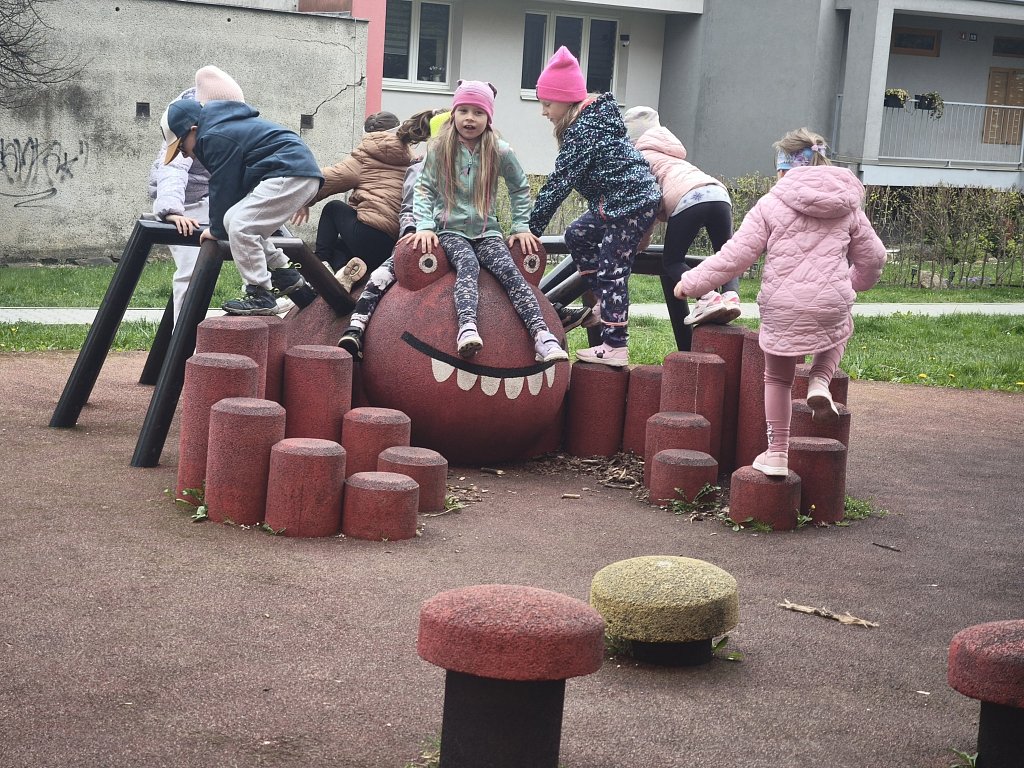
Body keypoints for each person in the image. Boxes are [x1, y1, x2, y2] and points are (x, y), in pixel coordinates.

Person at [674, 128, 886, 477]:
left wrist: (692, 282)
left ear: (783, 169)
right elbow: (874, 257)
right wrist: (853, 284)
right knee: (840, 326)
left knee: (777, 379)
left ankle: (777, 454)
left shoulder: (771, 204)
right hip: (830, 302)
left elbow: (735, 256)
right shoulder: (848, 207)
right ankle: (820, 380)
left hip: (782, 306)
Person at [409, 80, 568, 363]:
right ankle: (467, 328)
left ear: (489, 117)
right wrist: (424, 226)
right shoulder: (440, 149)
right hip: (450, 230)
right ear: (454, 114)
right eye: (464, 111)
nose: (470, 118)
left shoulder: (499, 150)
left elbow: (520, 187)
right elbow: (424, 189)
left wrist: (521, 226)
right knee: (468, 265)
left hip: (487, 232)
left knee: (511, 273)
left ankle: (542, 336)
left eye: (478, 112)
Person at [527, 46, 662, 368]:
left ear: (566, 100)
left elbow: (558, 184)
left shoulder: (583, 131)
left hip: (629, 204)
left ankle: (615, 345)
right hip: (618, 202)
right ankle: (604, 302)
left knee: (613, 268)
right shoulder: (593, 122)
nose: (544, 112)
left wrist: (529, 229)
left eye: (547, 104)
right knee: (577, 234)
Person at [159, 96, 324, 316]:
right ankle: (284, 272)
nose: (183, 153)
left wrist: (216, 230)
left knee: (241, 226)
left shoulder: (212, 136)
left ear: (194, 130)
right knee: (233, 219)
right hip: (291, 172)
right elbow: (237, 185)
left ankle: (260, 293)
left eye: (181, 145)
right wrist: (222, 224)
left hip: (289, 173)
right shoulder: (223, 128)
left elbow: (223, 184)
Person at [623, 106, 742, 346]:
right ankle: (731, 296)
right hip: (719, 193)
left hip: (688, 199)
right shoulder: (670, 152)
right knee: (726, 254)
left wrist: (640, 244)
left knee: (672, 261)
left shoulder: (638, 160)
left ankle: (707, 296)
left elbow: (646, 206)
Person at [338, 109, 451, 360]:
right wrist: (409, 232)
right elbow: (408, 208)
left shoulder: (473, 170)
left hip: (459, 238)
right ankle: (356, 329)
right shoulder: (419, 168)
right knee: (379, 277)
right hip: (421, 238)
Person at [147, 66, 244, 324]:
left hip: (209, 197)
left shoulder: (224, 124)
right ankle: (183, 333)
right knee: (191, 269)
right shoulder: (184, 124)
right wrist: (172, 211)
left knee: (252, 229)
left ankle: (265, 288)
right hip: (183, 203)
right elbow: (173, 168)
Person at [293, 110, 431, 279]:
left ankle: (321, 264)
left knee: (333, 208)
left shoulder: (365, 156)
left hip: (367, 234)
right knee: (338, 245)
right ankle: (346, 275)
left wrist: (303, 198)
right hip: (393, 243)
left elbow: (330, 177)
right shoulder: (410, 158)